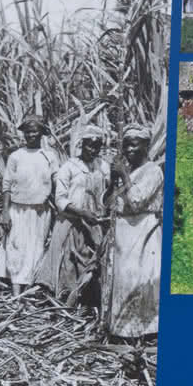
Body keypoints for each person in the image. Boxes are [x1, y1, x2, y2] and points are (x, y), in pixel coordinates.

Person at [104, 117, 164, 340]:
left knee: (139, 280)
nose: (129, 148)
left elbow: (137, 201)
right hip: (122, 234)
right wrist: (112, 181)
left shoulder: (153, 171)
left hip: (142, 230)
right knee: (123, 281)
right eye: (126, 144)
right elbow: (106, 205)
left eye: (135, 143)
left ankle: (144, 332)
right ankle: (122, 330)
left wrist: (124, 176)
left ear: (146, 146)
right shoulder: (125, 173)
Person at [49, 117, 112, 306]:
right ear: (81, 145)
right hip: (72, 221)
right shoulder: (68, 167)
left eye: (97, 146)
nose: (93, 150)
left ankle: (90, 300)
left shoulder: (103, 166)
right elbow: (60, 198)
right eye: (89, 145)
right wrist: (81, 213)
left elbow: (109, 191)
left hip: (97, 222)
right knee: (69, 262)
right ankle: (67, 301)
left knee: (95, 261)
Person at [0, 117, 58, 299]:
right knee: (17, 248)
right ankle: (16, 293)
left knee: (37, 249)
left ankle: (30, 293)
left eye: (35, 131)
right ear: (23, 134)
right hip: (18, 209)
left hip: (41, 211)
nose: (31, 134)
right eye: (28, 131)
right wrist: (5, 212)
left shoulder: (49, 156)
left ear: (41, 133)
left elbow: (57, 183)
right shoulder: (16, 156)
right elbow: (7, 185)